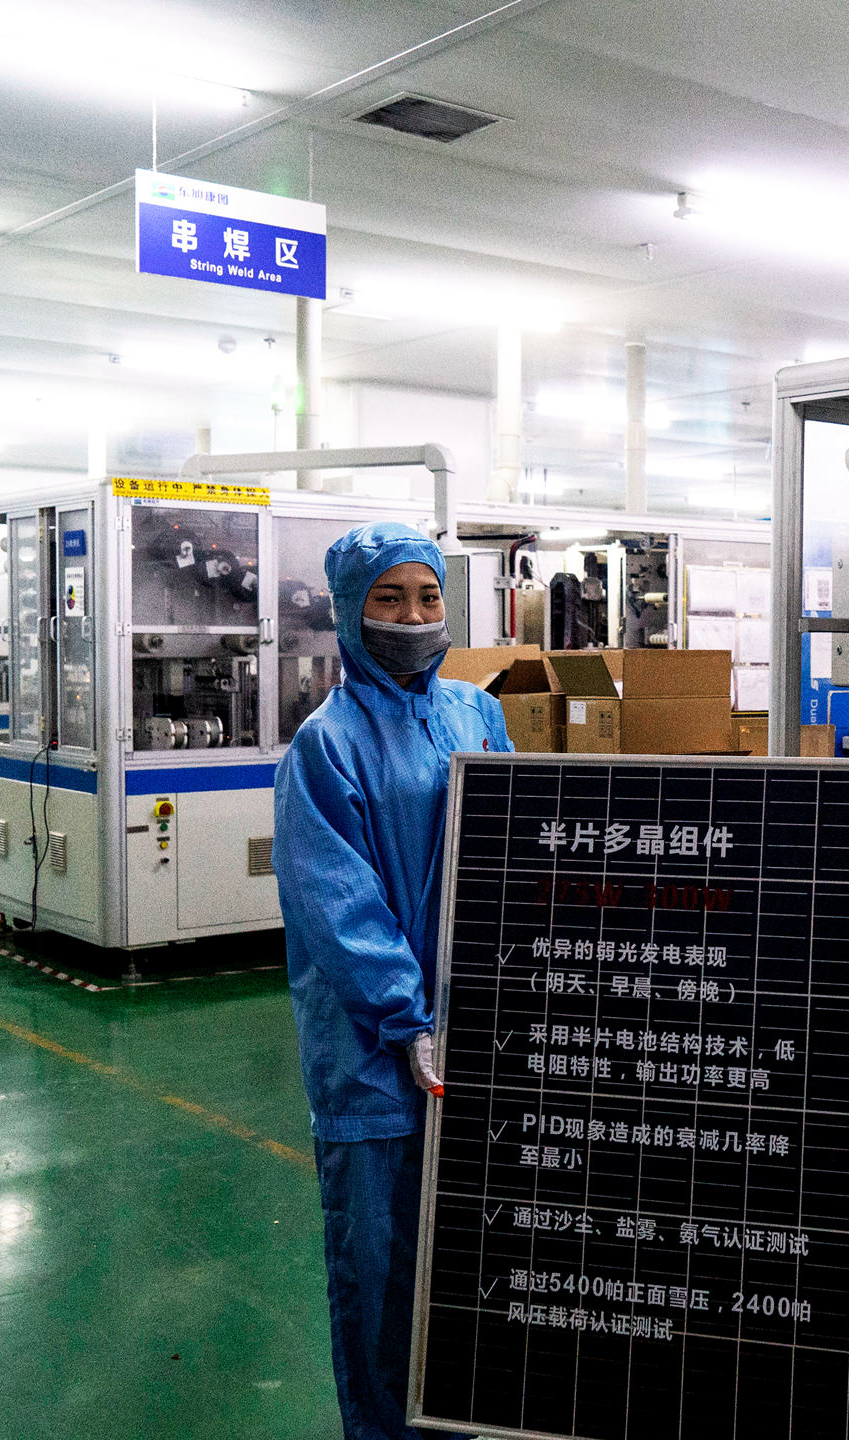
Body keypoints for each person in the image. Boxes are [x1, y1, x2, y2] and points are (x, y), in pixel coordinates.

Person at [272, 522, 509, 1440]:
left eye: (428, 597)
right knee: (380, 1262)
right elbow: (339, 907)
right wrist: (408, 1020)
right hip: (374, 1052)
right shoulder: (325, 746)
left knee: (465, 1257)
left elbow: (513, 846)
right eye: (390, 599)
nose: (413, 618)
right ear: (349, 610)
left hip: (478, 1027)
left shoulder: (475, 714)